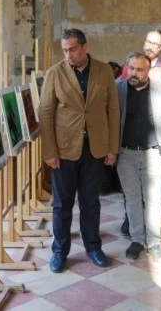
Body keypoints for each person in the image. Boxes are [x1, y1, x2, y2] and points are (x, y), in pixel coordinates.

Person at [39, 28, 120, 273]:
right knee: (61, 205)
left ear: (85, 47)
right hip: (64, 151)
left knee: (90, 202)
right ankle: (60, 252)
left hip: (95, 149)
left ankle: (93, 247)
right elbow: (46, 114)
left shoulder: (104, 70)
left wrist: (112, 147)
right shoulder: (55, 73)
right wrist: (49, 152)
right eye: (64, 50)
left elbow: (112, 110)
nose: (68, 55)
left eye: (72, 49)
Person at [116, 53, 161, 261]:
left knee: (153, 200)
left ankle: (154, 242)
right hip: (126, 153)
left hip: (152, 153)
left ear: (148, 71)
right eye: (131, 68)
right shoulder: (118, 89)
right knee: (132, 200)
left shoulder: (159, 88)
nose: (134, 73)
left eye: (139, 69)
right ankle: (137, 240)